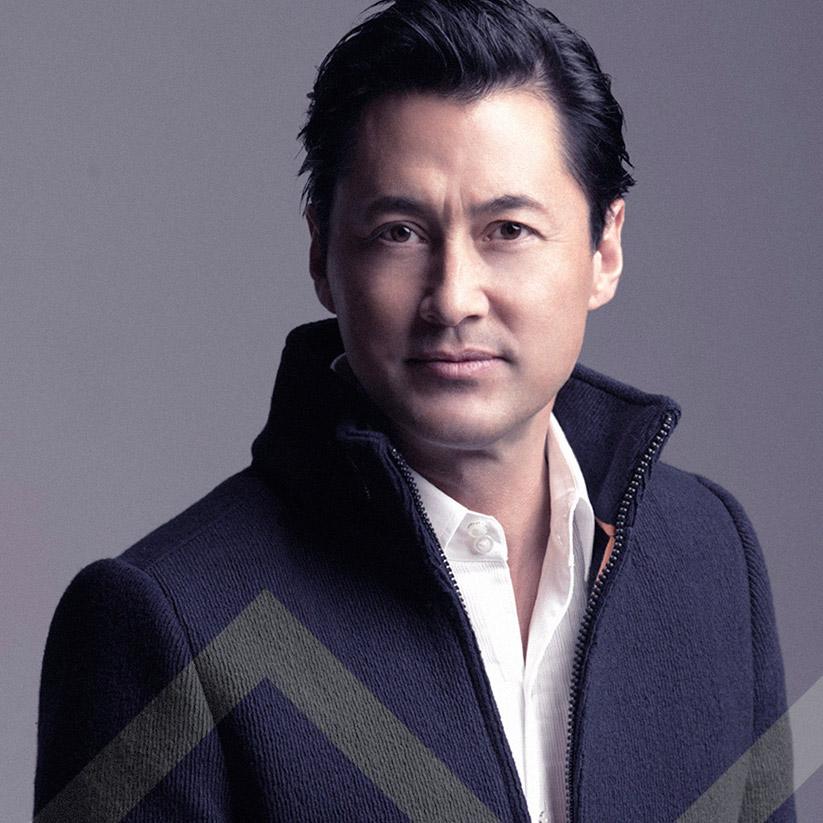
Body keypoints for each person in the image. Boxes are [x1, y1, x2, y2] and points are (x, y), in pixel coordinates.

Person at [34, 1, 794, 821]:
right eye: (399, 232)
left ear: (603, 249)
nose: (453, 297)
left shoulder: (707, 554)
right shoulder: (165, 619)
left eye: (508, 229)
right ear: (322, 254)